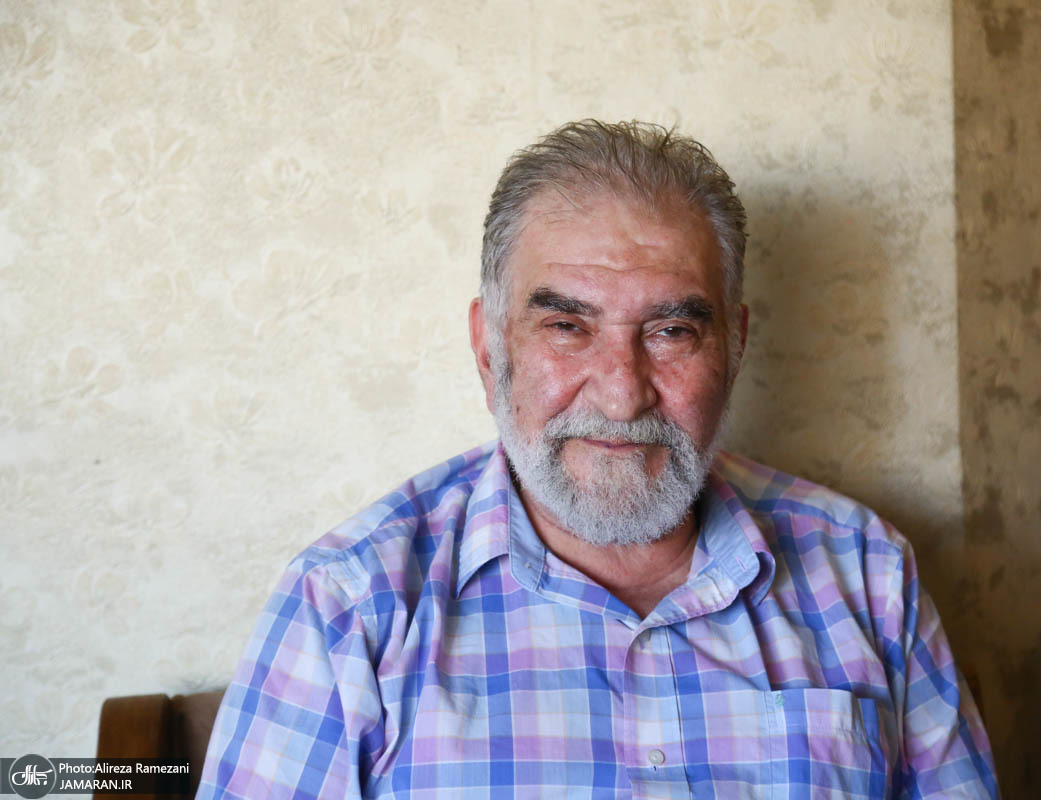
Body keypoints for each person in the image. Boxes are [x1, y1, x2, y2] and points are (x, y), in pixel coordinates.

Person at [197, 120, 999, 799]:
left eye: (672, 332)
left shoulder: (867, 573)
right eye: (567, 327)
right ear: (489, 347)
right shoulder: (348, 606)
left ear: (735, 346)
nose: (621, 397)